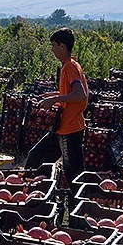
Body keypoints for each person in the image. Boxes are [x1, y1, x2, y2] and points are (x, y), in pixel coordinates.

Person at [23, 27, 89, 187]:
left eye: (53, 45)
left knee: (73, 172)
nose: (52, 49)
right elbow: (70, 92)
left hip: (70, 129)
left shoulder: (70, 67)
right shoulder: (70, 65)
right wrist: (51, 96)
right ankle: (31, 190)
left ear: (62, 46)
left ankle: (79, 205)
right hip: (61, 127)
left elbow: (81, 95)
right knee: (36, 158)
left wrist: (55, 99)